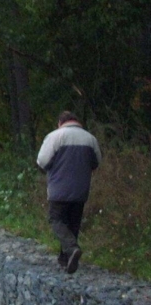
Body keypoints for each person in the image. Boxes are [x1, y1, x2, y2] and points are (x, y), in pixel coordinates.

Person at [36, 111, 102, 274]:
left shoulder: (54, 137)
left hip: (59, 188)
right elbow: (96, 162)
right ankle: (65, 259)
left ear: (60, 123)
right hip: (81, 189)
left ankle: (72, 250)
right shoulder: (90, 139)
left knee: (56, 219)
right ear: (77, 121)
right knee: (73, 223)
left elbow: (42, 161)